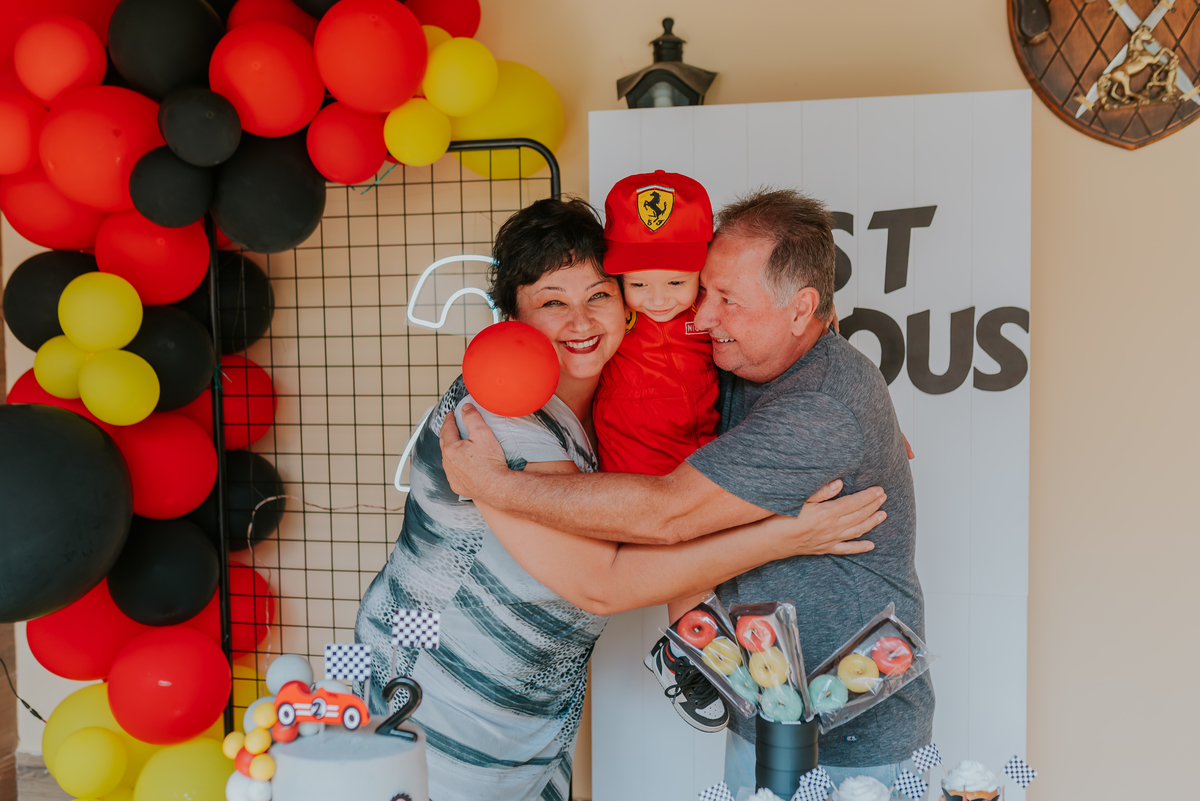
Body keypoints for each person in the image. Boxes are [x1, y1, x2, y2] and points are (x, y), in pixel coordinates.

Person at [356, 196, 888, 801]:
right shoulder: (498, 414)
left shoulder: (619, 386)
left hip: (538, 714)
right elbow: (602, 583)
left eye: (598, 296)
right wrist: (786, 534)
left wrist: (854, 397)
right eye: (552, 302)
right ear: (512, 318)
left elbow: (775, 308)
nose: (580, 322)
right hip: (435, 700)